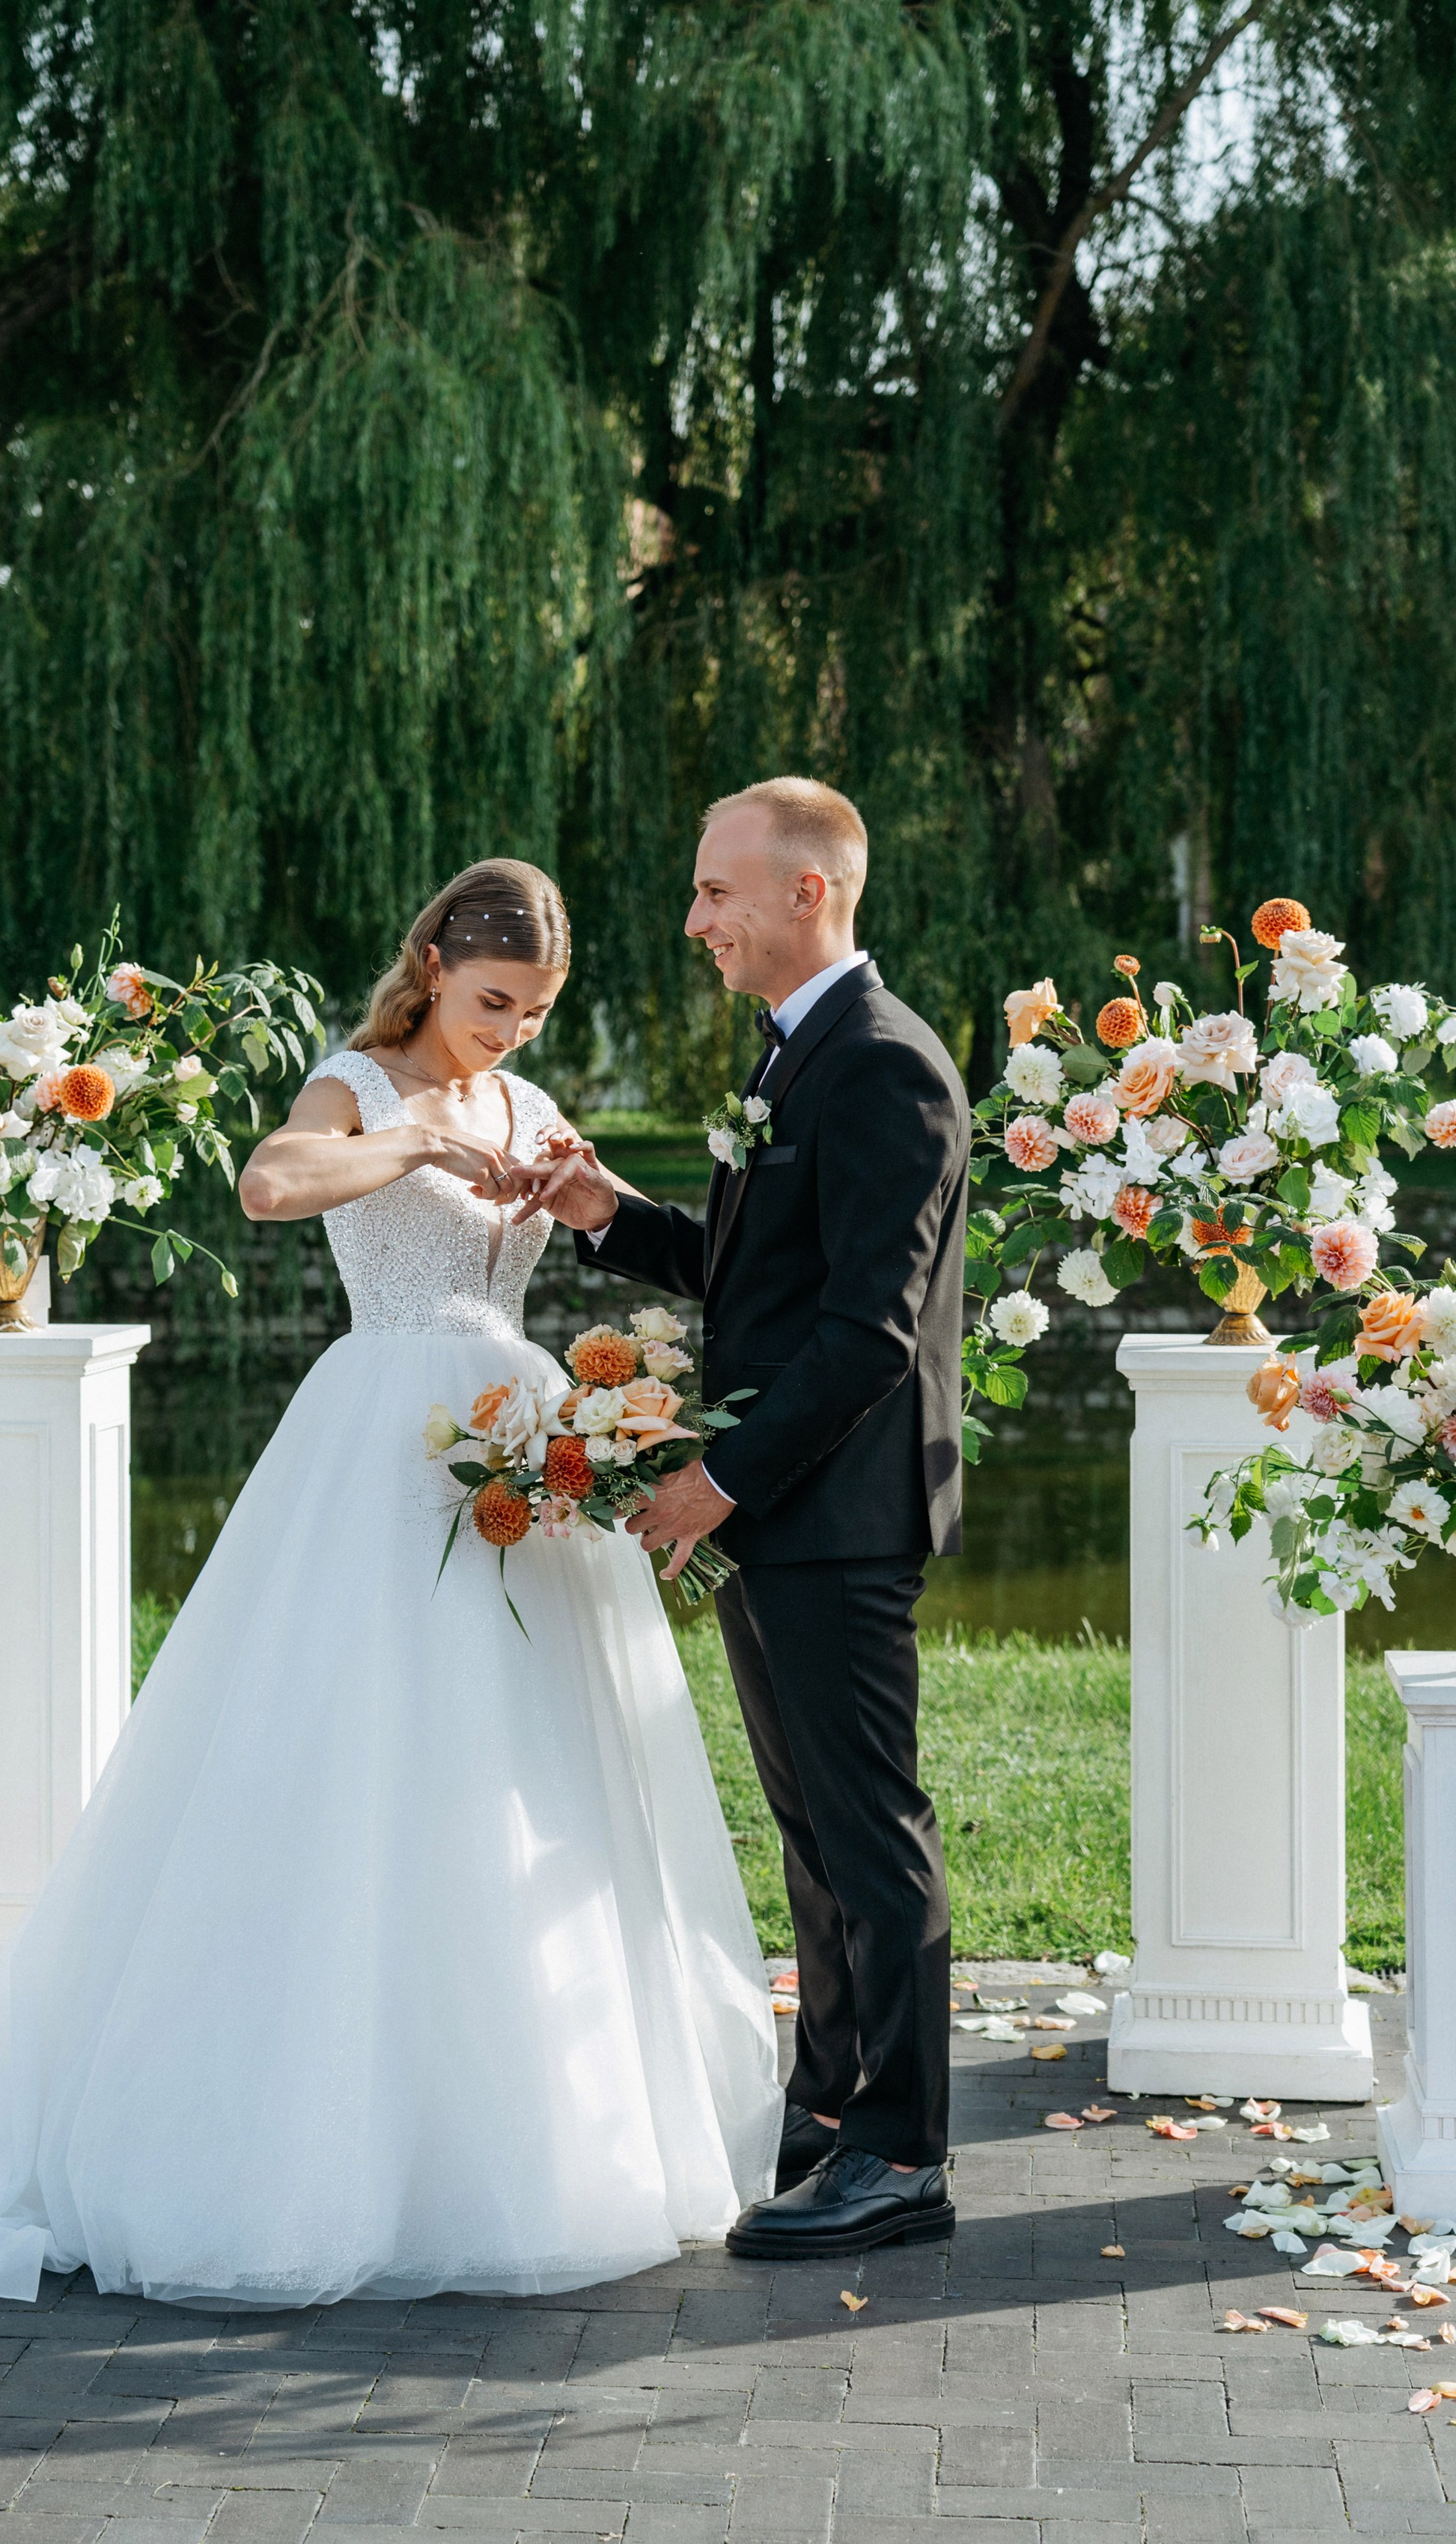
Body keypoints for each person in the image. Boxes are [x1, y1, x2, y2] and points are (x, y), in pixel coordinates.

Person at [0, 856, 780, 2381]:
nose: (510, 1035)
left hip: (519, 1446)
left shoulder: (528, 1107)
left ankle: (534, 2119)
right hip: (380, 1445)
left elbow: (563, 1220)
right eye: (489, 1004)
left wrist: (571, 1204)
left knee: (527, 1779)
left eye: (531, 1013)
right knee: (345, 1760)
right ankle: (298, 2138)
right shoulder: (359, 1084)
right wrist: (407, 1141)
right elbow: (268, 1185)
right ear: (434, 965)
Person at [511, 781, 969, 2259]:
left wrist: (717, 1479)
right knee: (814, 1839)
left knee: (867, 1831)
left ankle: (897, 2158)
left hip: (829, 1512)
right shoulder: (790, 1059)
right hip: (786, 1516)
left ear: (805, 895)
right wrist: (599, 1208)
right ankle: (829, 2121)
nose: (693, 918)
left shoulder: (881, 1067)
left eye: (715, 892)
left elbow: (863, 1336)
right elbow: (739, 1275)